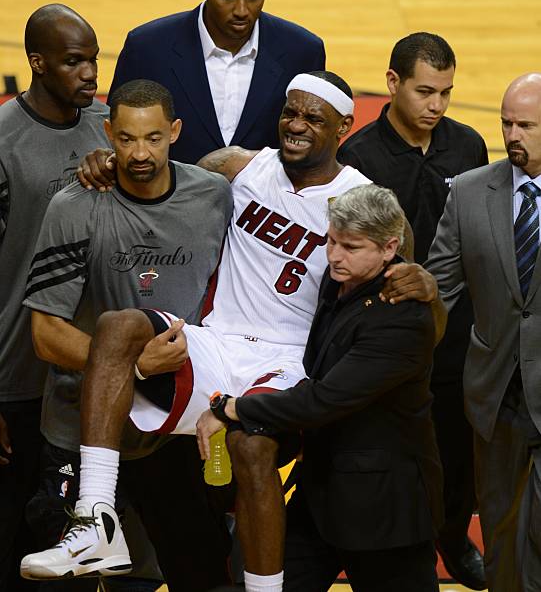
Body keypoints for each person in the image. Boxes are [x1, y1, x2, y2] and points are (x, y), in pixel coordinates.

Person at [23, 71, 440, 592]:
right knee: (120, 326)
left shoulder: (360, 197)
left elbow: (404, 267)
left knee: (251, 447)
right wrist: (110, 163)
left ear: (343, 128)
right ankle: (96, 514)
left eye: (314, 118)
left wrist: (424, 281)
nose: (297, 125)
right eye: (291, 112)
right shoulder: (242, 166)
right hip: (217, 341)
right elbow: (166, 176)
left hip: (287, 357)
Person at [19, 78, 233, 591]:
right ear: (108, 133)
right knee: (64, 579)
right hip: (79, 426)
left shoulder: (214, 197)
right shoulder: (74, 205)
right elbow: (46, 333)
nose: (140, 153)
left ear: (176, 132)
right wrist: (133, 368)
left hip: (174, 426)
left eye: (154, 138)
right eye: (127, 139)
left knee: (200, 571)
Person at [197, 183, 445, 592]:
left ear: (389, 248)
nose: (333, 255)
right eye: (330, 240)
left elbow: (325, 399)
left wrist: (231, 408)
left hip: (384, 510)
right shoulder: (337, 281)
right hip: (321, 493)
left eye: (350, 246)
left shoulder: (401, 317)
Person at [337, 31, 487, 590]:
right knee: (389, 447)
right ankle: (395, 548)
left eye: (447, 92)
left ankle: (451, 536)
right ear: (392, 84)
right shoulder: (357, 157)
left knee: (456, 446)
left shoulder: (468, 146)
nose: (437, 105)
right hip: (382, 331)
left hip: (455, 329)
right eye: (426, 91)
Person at [0, 3, 110, 592]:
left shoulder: (112, 128)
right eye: (74, 62)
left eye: (93, 59)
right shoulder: (4, 141)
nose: (90, 73)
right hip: (14, 374)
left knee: (66, 552)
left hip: (84, 370)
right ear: (37, 64)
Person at [425, 72, 541, 592]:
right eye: (507, 124)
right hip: (496, 394)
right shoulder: (470, 192)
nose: (513, 135)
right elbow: (438, 288)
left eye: (527, 126)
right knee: (500, 532)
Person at [107, 0, 326, 164]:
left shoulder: (303, 51)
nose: (242, 10)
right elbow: (114, 124)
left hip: (268, 207)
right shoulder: (147, 47)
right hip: (170, 204)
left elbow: (315, 135)